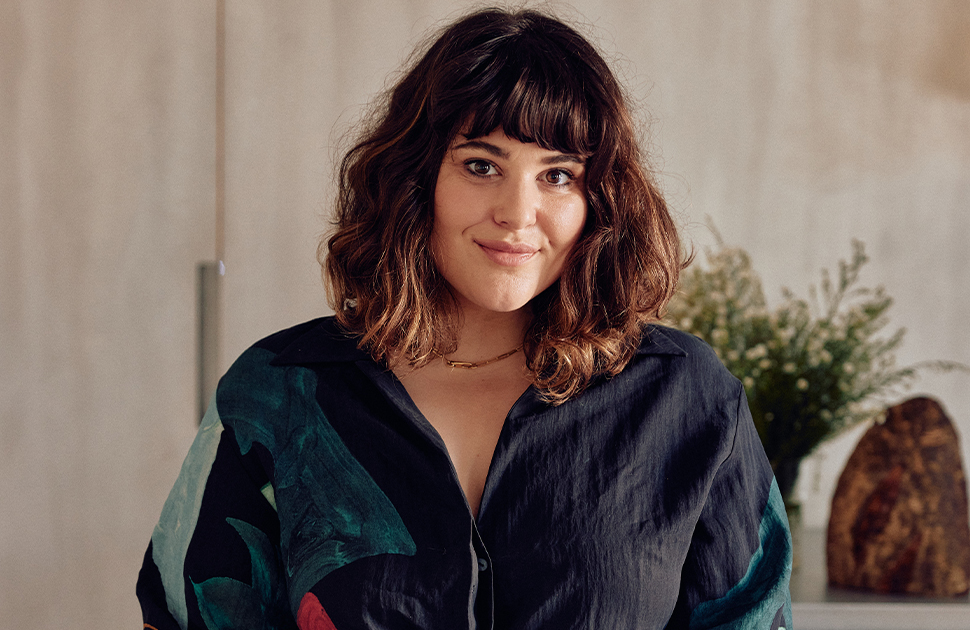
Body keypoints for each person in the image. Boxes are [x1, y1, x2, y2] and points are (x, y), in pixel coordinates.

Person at [137, 8, 792, 630]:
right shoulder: (279, 392)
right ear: (419, 179)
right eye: (481, 165)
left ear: (599, 199)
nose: (517, 211)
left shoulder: (686, 397)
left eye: (558, 176)